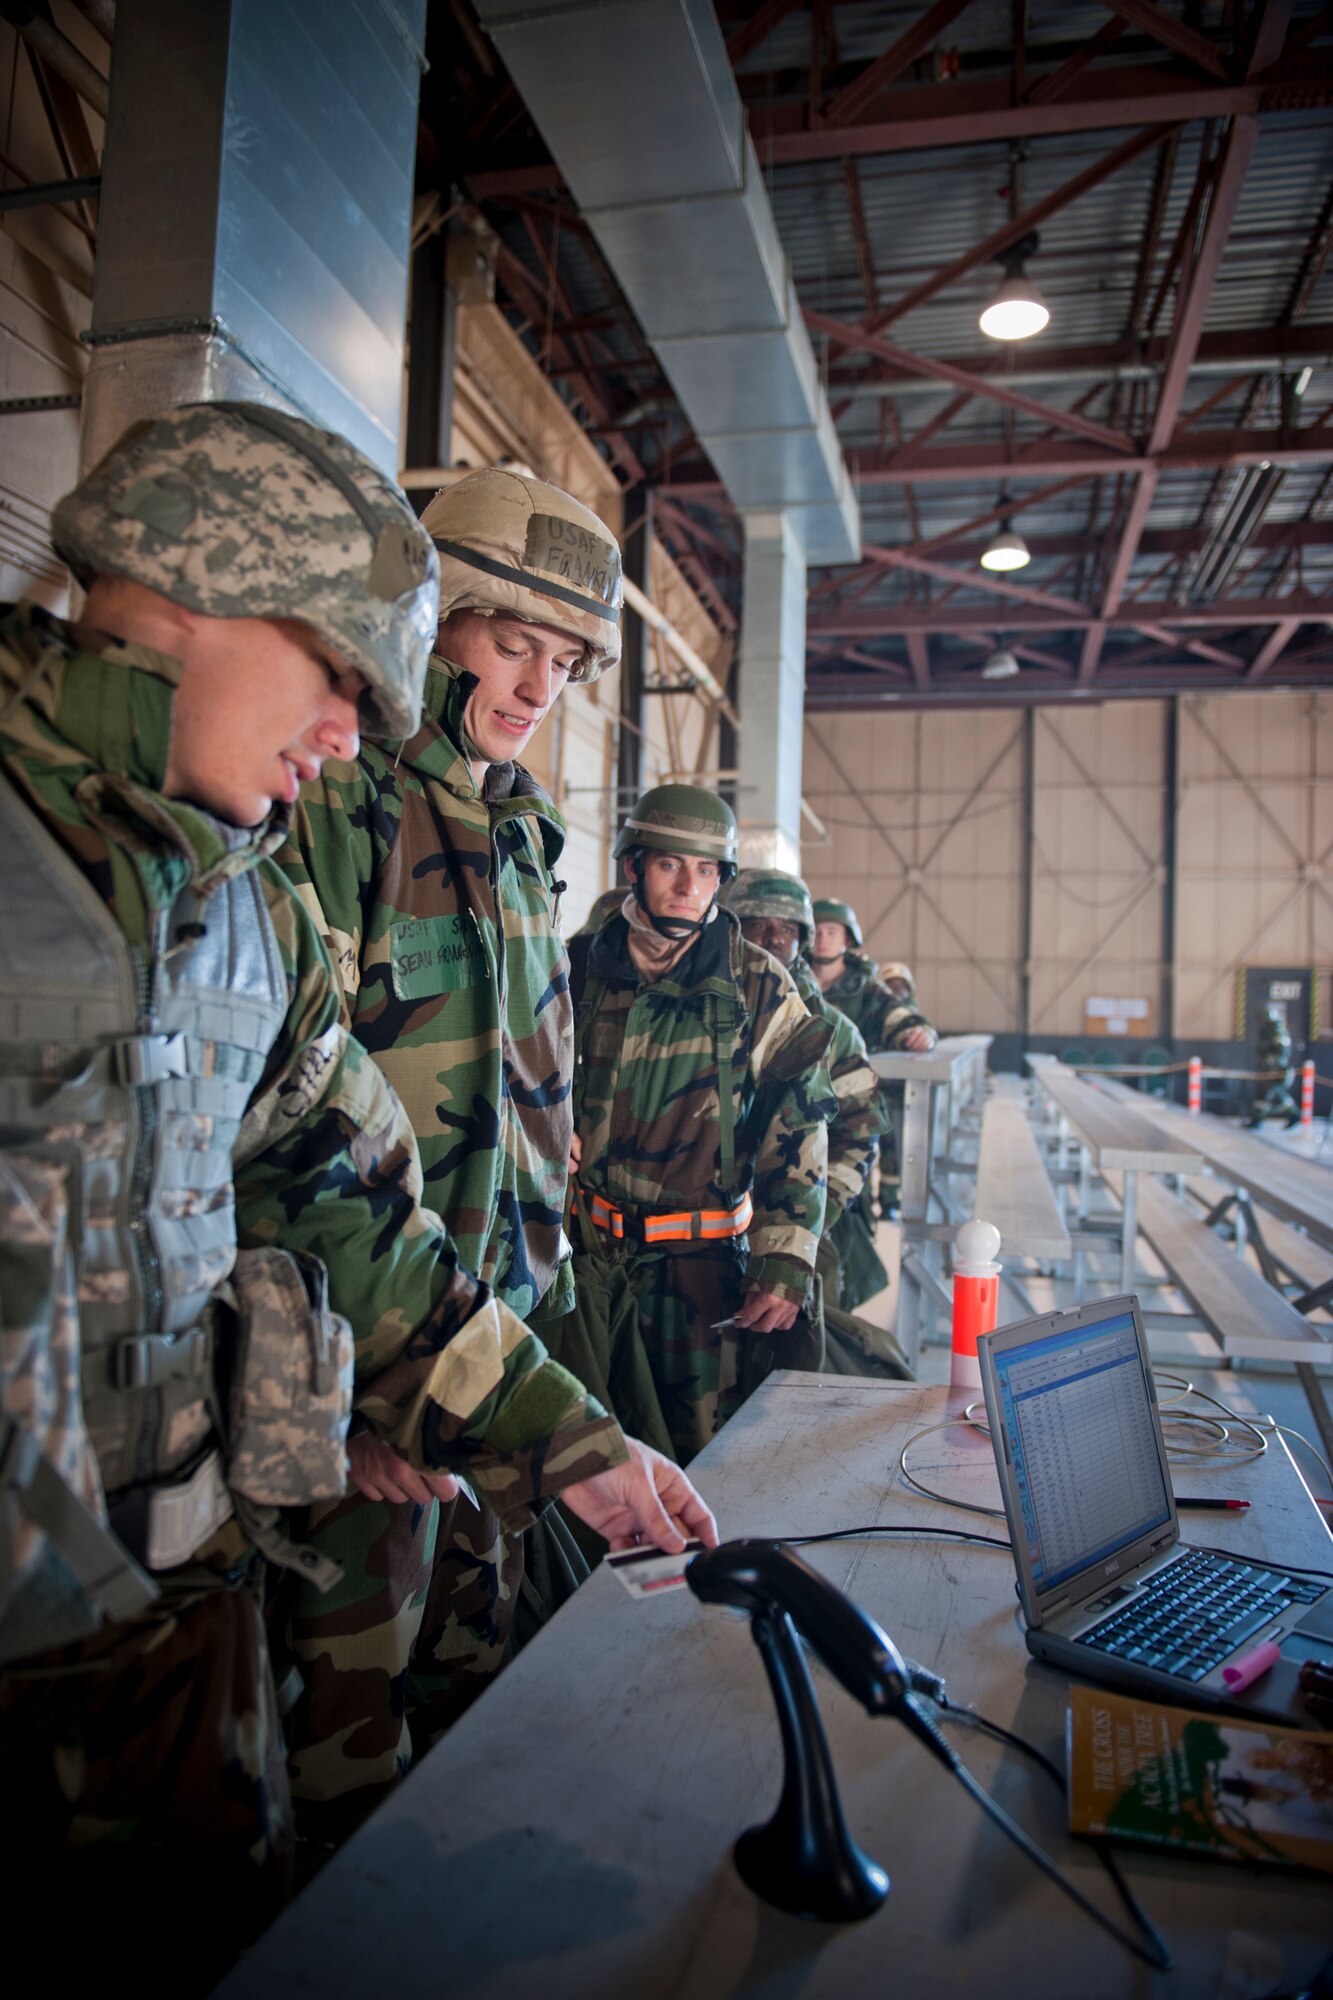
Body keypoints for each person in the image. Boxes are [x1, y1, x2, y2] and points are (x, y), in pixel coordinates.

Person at [0, 405, 715, 1975]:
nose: (348, 735)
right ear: (183, 587)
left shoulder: (234, 909)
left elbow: (342, 1194)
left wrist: (565, 1441)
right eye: (338, 673)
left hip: (170, 1651)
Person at [276, 468, 655, 1835]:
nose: (539, 686)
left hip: (499, 1359)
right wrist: (339, 1397)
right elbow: (283, 1129)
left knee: (475, 1718)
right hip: (368, 1381)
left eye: (565, 662)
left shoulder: (524, 830)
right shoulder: (338, 800)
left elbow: (535, 1096)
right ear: (432, 621)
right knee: (345, 1765)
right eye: (511, 644)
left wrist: (537, 1321)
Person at [568, 786, 836, 1462]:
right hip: (586, 1261)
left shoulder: (757, 984)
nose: (690, 887)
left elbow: (800, 1118)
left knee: (702, 1459)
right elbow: (518, 1073)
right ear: (632, 866)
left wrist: (784, 1257)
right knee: (585, 1456)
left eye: (707, 870)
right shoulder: (578, 966)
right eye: (670, 865)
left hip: (702, 1276)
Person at [724, 868, 890, 1310]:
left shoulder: (833, 1030)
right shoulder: (707, 1008)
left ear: (804, 938)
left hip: (797, 1232)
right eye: (757, 924)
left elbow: (859, 1133)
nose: (773, 939)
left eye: (787, 929)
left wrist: (807, 1222)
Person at [810, 901, 937, 1219]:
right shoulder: (788, 983)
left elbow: (900, 1019)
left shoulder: (867, 992)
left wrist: (919, 1033)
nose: (823, 939)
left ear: (847, 939)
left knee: (850, 1212)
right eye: (816, 931)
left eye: (832, 932)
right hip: (793, 1115)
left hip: (847, 1120)